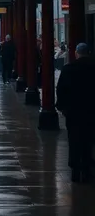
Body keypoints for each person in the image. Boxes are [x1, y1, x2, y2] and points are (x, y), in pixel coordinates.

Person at [56, 42, 95, 183]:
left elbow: (60, 90)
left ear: (76, 53)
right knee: (88, 139)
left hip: (73, 111)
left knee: (73, 139)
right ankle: (86, 167)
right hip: (91, 110)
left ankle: (75, 168)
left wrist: (62, 107)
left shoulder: (68, 69)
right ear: (88, 53)